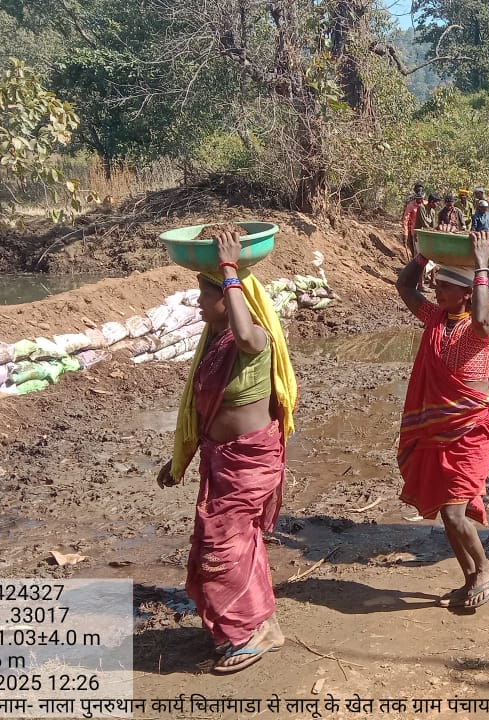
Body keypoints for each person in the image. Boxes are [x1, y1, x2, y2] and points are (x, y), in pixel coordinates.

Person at [157, 226, 299, 673]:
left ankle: (247, 632)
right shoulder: (213, 344)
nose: (199, 302)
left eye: (206, 294)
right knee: (236, 544)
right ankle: (262, 626)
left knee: (224, 547)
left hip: (249, 460)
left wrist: (229, 270)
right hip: (221, 460)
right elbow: (201, 410)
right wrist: (179, 458)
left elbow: (245, 334)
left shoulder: (253, 338)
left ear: (230, 296)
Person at [394, 232, 489, 610]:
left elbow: (480, 314)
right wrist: (422, 256)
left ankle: (486, 569)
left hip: (471, 427)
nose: (436, 291)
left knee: (455, 509)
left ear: (465, 292)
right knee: (448, 509)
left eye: (444, 287)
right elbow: (405, 285)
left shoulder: (481, 327)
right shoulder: (435, 318)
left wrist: (481, 266)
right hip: (437, 429)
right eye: (436, 285)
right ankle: (472, 575)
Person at [402, 189, 425, 257]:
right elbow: (405, 220)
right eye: (418, 198)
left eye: (421, 198)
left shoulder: (425, 204)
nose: (420, 200)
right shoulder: (411, 205)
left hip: (424, 231)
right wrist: (405, 233)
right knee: (417, 251)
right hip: (415, 232)